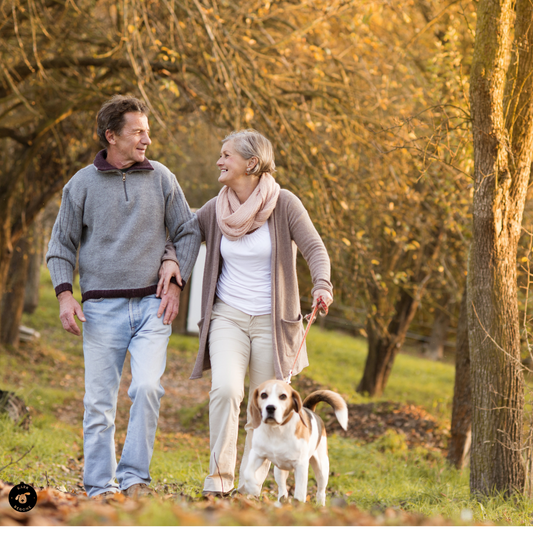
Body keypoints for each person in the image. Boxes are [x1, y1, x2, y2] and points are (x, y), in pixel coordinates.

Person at [46, 95, 201, 499]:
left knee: (148, 388)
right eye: (138, 131)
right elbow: (60, 246)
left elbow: (188, 231)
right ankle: (100, 487)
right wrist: (65, 296)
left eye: (147, 131)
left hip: (153, 305)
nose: (146, 139)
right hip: (100, 310)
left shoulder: (163, 178)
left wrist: (176, 274)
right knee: (98, 404)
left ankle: (134, 478)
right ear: (111, 136)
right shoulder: (79, 185)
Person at [189, 129, 333, 496]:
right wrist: (173, 263)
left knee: (265, 403)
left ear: (251, 163)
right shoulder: (216, 208)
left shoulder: (283, 204)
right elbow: (186, 236)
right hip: (228, 316)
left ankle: (249, 484)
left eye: (226, 155)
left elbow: (315, 248)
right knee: (225, 389)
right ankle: (218, 482)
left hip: (273, 321)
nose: (219, 162)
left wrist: (321, 284)